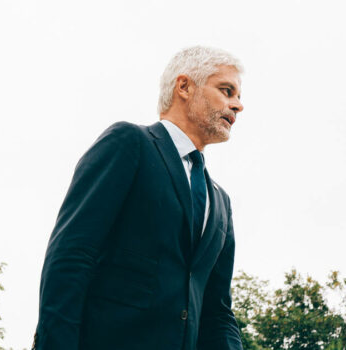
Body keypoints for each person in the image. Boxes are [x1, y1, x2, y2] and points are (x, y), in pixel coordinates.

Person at [32, 46, 244, 350]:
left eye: (237, 96)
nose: (237, 105)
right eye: (227, 90)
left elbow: (217, 310)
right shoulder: (130, 143)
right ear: (184, 86)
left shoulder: (221, 203)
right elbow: (71, 256)